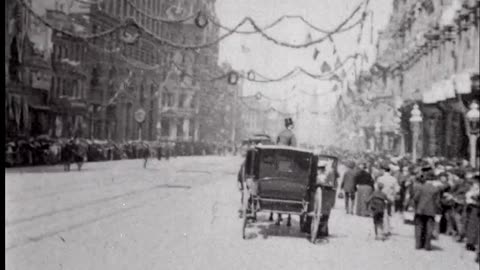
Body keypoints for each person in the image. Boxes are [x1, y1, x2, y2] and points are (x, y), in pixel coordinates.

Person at [273, 117, 297, 225]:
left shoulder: (280, 133)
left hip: (278, 162)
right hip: (286, 163)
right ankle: (288, 216)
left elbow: (275, 145)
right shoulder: (292, 135)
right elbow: (294, 149)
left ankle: (278, 216)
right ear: (290, 125)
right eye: (292, 125)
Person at [412, 171, 443, 250]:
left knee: (419, 227)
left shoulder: (421, 187)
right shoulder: (435, 189)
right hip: (431, 211)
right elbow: (437, 202)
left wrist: (416, 205)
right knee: (429, 228)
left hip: (420, 210)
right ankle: (427, 245)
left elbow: (416, 198)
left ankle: (418, 245)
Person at [377, 164, 400, 236]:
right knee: (389, 214)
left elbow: (376, 188)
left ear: (383, 170)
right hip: (390, 198)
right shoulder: (393, 179)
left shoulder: (380, 178)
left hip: (381, 198)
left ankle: (383, 229)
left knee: (382, 213)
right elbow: (397, 189)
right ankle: (388, 229)